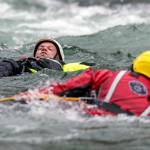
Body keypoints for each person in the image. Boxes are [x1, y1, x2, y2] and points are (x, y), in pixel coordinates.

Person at [43, 50, 150, 117]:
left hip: (88, 117)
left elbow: (62, 89)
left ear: (134, 66)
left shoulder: (106, 75)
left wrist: (34, 95)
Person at [0, 38, 93, 77]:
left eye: (50, 49)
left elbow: (96, 71)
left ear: (58, 57)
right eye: (41, 48)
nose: (44, 49)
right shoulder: (23, 64)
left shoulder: (69, 67)